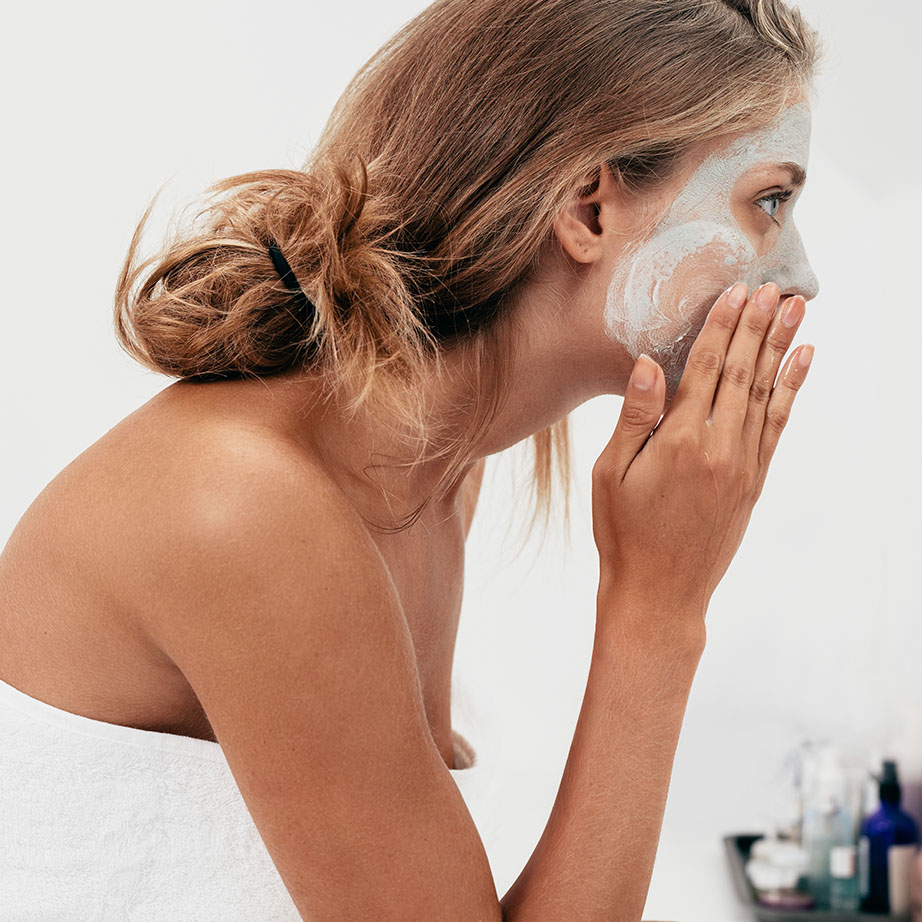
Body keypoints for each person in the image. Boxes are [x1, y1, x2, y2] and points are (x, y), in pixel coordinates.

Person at [0, 0, 820, 919]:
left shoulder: (431, 472)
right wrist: (656, 609)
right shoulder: (248, 507)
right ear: (589, 207)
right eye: (770, 201)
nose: (801, 274)